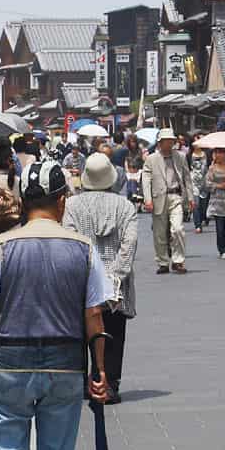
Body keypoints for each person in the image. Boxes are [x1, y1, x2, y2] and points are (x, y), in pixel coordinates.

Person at [0, 160, 112, 450]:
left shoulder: (0, 248)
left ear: (24, 203)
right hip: (65, 367)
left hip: (10, 364)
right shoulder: (84, 249)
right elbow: (94, 316)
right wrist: (100, 370)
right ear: (61, 201)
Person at [63, 153, 139, 403]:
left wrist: (90, 274)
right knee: (115, 334)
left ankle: (87, 381)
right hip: (118, 286)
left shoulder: (72, 206)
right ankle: (110, 384)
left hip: (83, 283)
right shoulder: (126, 207)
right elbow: (129, 244)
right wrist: (115, 276)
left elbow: (71, 242)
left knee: (83, 334)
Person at [141, 129, 191, 274]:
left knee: (178, 229)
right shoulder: (151, 159)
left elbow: (187, 177)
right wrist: (148, 199)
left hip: (176, 196)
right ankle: (163, 262)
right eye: (166, 141)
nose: (169, 143)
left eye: (171, 141)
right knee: (159, 233)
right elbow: (146, 179)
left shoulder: (180, 156)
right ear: (160, 143)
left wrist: (190, 198)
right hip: (158, 198)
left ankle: (178, 261)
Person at [189, 142, 209, 233]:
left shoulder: (207, 154)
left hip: (204, 181)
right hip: (193, 182)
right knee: (196, 203)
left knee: (203, 204)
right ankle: (197, 225)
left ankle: (202, 219)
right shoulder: (189, 155)